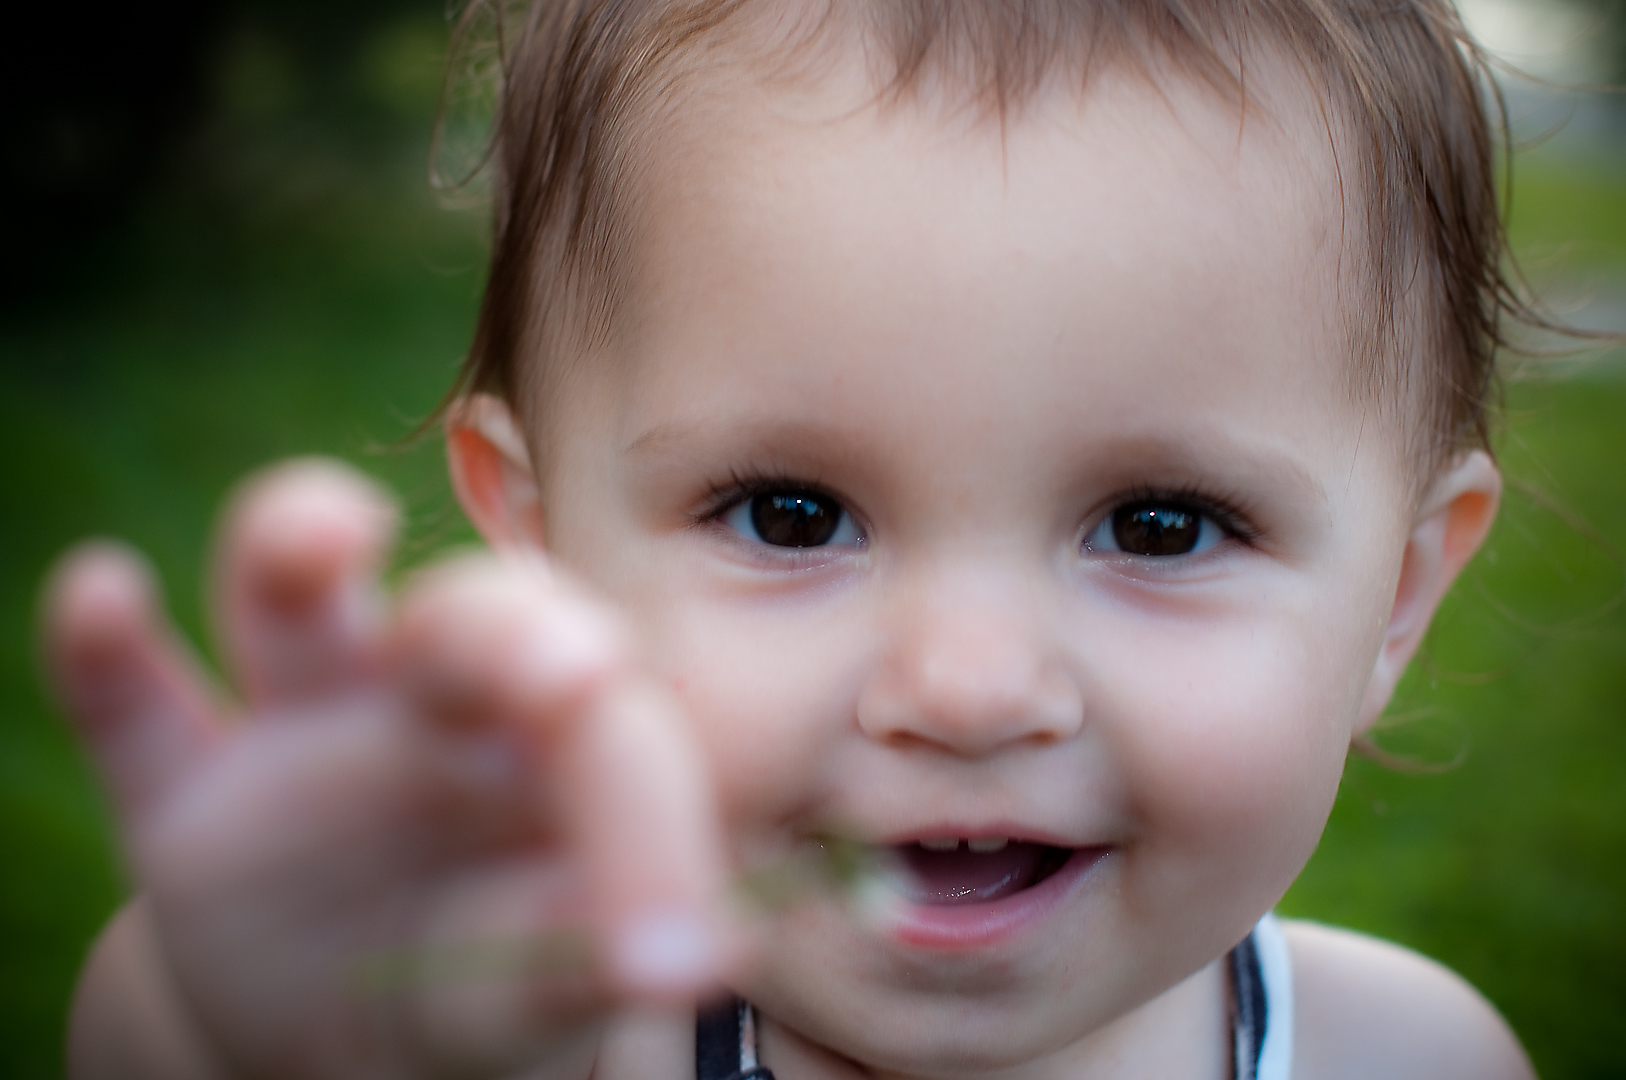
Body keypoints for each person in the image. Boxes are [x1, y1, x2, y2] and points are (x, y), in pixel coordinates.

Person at [41, 2, 1544, 1077]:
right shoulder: (554, 1038)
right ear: (546, 549)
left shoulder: (1414, 1053)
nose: (966, 691)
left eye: (1160, 528)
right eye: (790, 514)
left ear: (1397, 597)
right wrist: (261, 1032)